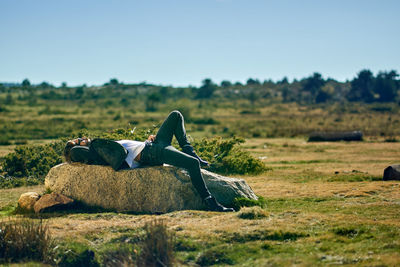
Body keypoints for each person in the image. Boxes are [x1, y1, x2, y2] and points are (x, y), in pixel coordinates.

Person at [63, 110, 234, 212]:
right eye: (79, 140)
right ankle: (211, 203)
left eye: (80, 138)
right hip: (153, 153)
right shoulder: (92, 152)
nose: (82, 138)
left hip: (153, 145)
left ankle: (190, 150)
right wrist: (74, 147)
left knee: (176, 115)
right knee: (192, 164)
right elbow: (77, 152)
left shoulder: (100, 147)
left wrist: (147, 141)